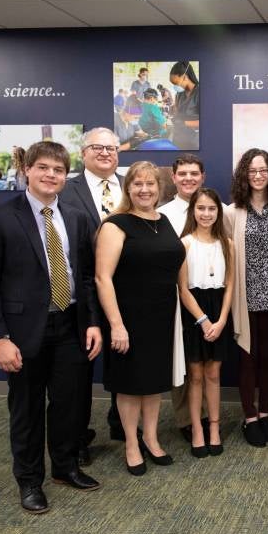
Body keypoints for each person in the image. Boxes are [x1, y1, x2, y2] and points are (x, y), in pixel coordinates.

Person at [0, 140, 103, 514]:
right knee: (27, 409)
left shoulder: (76, 218)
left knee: (69, 404)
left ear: (66, 176)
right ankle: (30, 481)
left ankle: (64, 468)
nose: (51, 175)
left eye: (58, 170)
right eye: (43, 167)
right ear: (27, 170)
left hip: (70, 325)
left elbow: (87, 277)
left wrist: (92, 323)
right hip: (23, 332)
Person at [95, 161, 185, 476]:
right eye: (137, 184)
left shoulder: (164, 221)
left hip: (162, 316)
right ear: (128, 188)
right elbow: (102, 278)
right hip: (129, 318)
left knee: (153, 384)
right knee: (131, 385)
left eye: (150, 184)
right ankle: (132, 444)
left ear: (160, 189)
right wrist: (117, 325)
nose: (144, 189)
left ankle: (151, 437)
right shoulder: (115, 224)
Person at [58, 127, 125, 463]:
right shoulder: (65, 190)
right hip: (82, 293)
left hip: (124, 292)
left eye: (111, 148)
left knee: (124, 361)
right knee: (80, 370)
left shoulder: (131, 186)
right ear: (82, 153)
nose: (105, 153)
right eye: (97, 147)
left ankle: (122, 424)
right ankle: (78, 437)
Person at [159, 154, 227, 443]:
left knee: (206, 368)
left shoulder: (219, 210)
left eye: (194, 174)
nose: (188, 178)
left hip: (209, 297)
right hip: (175, 296)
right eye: (182, 174)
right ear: (173, 178)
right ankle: (187, 419)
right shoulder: (162, 213)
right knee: (184, 364)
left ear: (203, 177)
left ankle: (206, 419)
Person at [224, 148, 268, 447]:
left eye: (264, 170)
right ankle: (249, 417)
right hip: (244, 298)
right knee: (247, 359)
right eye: (253, 171)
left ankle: (265, 413)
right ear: (244, 175)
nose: (258, 176)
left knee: (267, 358)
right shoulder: (231, 211)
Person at [177, 188, 234, 458]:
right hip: (194, 314)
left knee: (214, 373)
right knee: (196, 375)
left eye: (212, 209)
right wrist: (203, 321)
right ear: (193, 211)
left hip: (219, 312)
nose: (206, 214)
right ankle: (197, 428)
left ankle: (214, 427)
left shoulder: (227, 244)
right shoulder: (185, 243)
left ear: (218, 212)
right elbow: (183, 289)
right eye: (201, 208)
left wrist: (221, 320)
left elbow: (231, 285)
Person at [169, 61, 200, 150]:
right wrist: (174, 112)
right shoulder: (179, 94)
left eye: (176, 83)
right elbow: (177, 111)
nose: (175, 86)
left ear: (185, 77)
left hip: (194, 142)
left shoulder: (200, 93)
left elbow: (208, 122)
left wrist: (184, 123)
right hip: (179, 139)